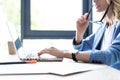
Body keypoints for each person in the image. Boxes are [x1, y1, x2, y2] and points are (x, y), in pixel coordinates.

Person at [38, 0, 120, 70]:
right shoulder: (104, 27)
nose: (93, 0)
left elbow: (111, 56)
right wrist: (79, 33)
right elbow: (83, 50)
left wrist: (63, 53)